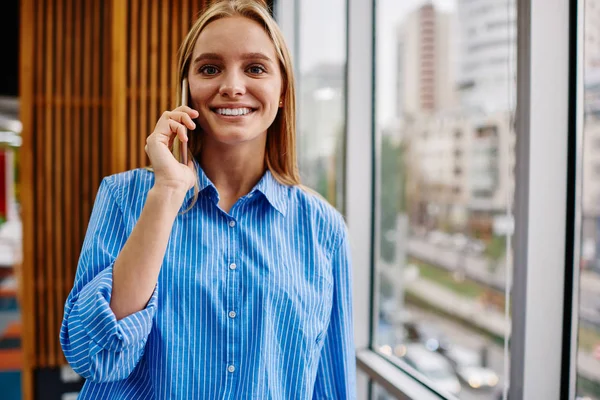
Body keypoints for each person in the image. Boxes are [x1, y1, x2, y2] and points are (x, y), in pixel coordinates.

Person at [59, 0, 356, 398]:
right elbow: (92, 355)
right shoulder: (124, 197)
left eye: (255, 68)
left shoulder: (324, 230)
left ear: (282, 90)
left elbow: (332, 388)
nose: (232, 85)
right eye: (210, 68)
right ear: (187, 89)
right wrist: (166, 193)